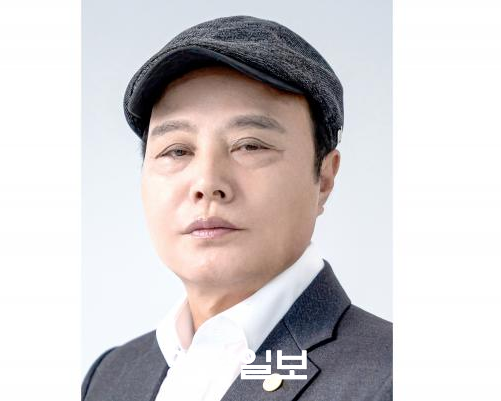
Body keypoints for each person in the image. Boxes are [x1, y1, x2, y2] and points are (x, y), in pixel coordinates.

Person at [82, 15, 391, 401]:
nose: (207, 182)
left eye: (250, 145)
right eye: (177, 150)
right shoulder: (112, 376)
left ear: (324, 178)